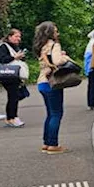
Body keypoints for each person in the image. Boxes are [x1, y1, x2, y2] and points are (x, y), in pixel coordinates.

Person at [35, 21, 70, 154]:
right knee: (57, 113)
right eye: (55, 31)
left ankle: (46, 143)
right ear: (50, 33)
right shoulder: (54, 45)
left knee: (50, 114)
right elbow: (57, 61)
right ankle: (53, 145)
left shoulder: (41, 46)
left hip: (42, 82)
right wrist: (64, 57)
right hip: (52, 83)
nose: (57, 33)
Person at [0, 28, 27, 128]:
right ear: (9, 37)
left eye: (19, 36)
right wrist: (14, 57)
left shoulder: (14, 47)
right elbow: (1, 59)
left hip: (13, 75)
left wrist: (21, 56)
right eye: (16, 36)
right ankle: (12, 118)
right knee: (13, 96)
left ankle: (10, 118)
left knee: (14, 96)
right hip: (7, 75)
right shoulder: (3, 47)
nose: (18, 39)